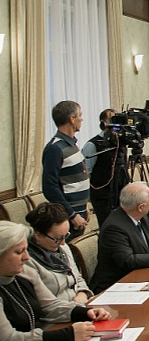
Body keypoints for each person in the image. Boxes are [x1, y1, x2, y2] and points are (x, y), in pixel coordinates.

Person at [0, 221, 110, 341]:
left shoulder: (25, 273)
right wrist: (67, 334)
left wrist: (85, 313)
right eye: (19, 252)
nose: (26, 257)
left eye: (26, 250)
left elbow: (50, 306)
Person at [90, 182, 149, 293]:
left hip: (139, 277)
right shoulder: (114, 227)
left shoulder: (139, 216)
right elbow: (128, 260)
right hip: (115, 285)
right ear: (141, 207)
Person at [24, 203, 93, 304]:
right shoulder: (27, 260)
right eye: (58, 238)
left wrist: (83, 293)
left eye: (66, 236)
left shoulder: (62, 247)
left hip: (79, 304)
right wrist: (76, 306)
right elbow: (45, 304)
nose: (63, 243)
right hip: (61, 310)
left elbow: (77, 277)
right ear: (38, 235)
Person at [41, 101, 90, 240]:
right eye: (80, 115)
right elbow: (50, 188)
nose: (82, 119)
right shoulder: (55, 148)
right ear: (71, 119)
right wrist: (72, 215)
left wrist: (85, 205)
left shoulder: (71, 144)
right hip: (68, 216)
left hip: (79, 210)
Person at [80, 108, 128, 228]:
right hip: (103, 195)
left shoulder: (120, 143)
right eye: (112, 119)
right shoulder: (93, 144)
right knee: (108, 226)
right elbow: (86, 173)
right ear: (103, 122)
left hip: (121, 192)